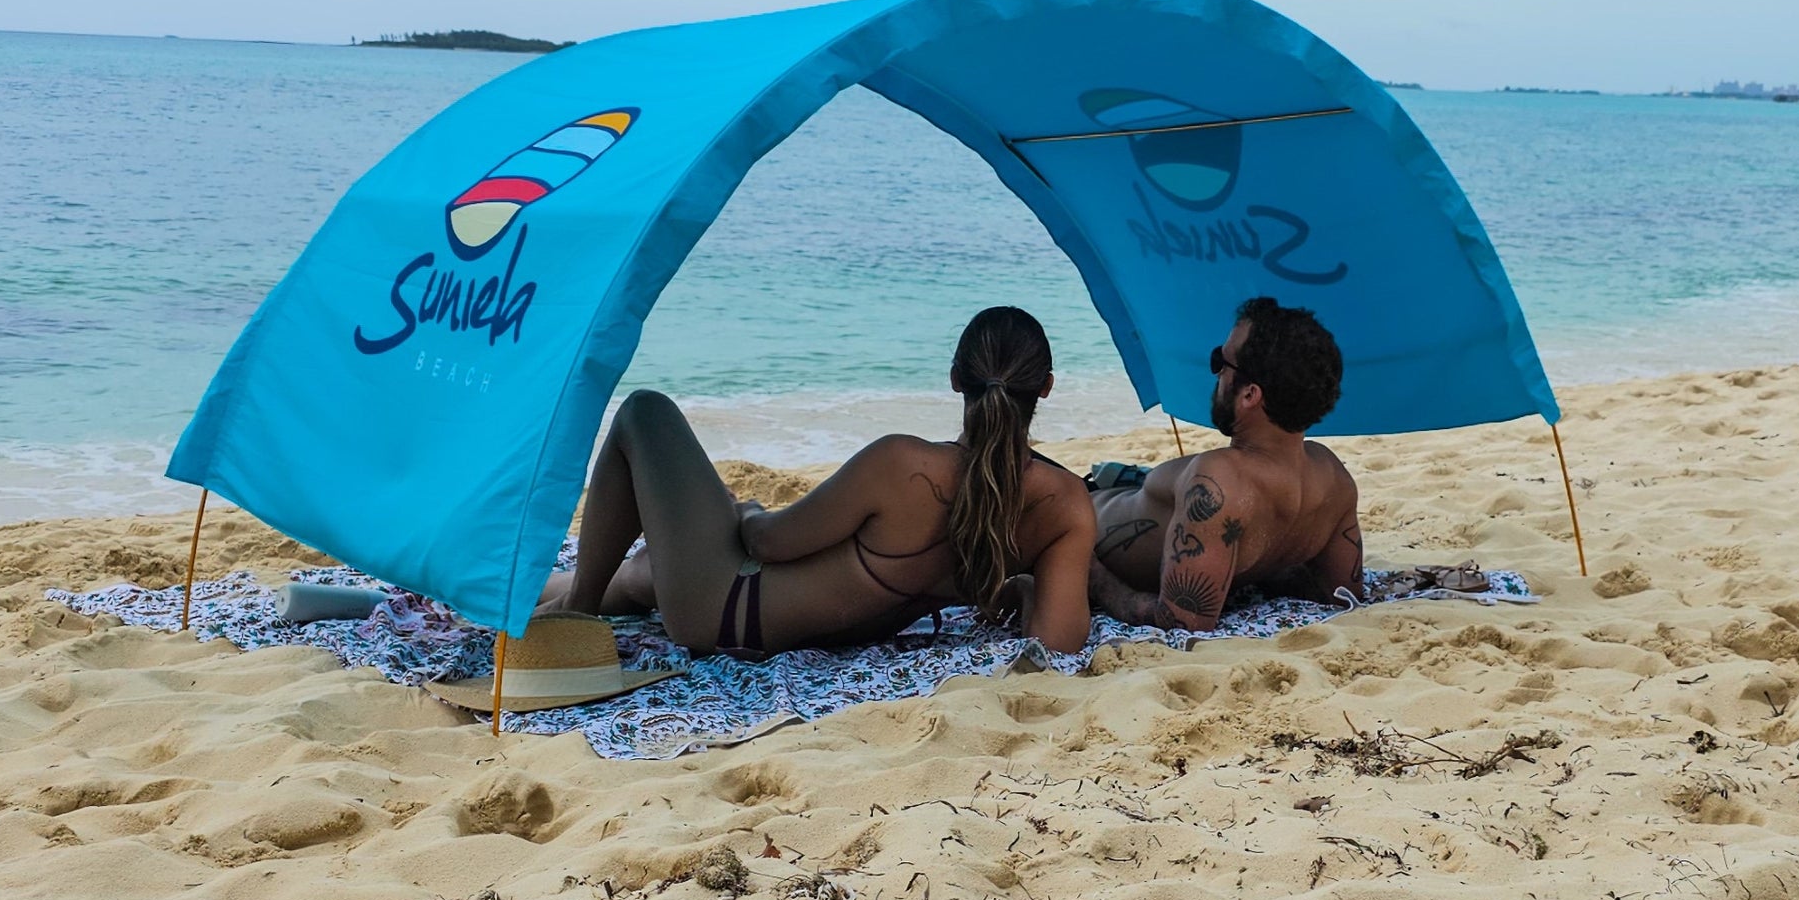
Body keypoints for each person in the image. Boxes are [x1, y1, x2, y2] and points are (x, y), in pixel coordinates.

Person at [542, 307, 1096, 655]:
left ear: (956, 379)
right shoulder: (1067, 502)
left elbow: (769, 544)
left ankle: (577, 615)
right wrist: (1020, 584)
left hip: (725, 618)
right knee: (641, 577)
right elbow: (1058, 644)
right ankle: (555, 595)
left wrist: (750, 511)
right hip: (812, 628)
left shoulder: (902, 462)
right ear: (1045, 387)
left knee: (643, 410)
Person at [1088, 295, 1363, 631]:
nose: (1216, 372)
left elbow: (1180, 622)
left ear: (1250, 395)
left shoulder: (1220, 481)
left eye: (1221, 362)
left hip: (1077, 521)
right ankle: (1125, 477)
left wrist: (1090, 572)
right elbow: (1342, 594)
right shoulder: (1333, 477)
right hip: (1118, 500)